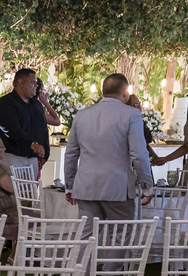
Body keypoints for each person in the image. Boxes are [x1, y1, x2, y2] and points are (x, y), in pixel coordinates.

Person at [63, 73, 154, 238]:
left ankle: (82, 258)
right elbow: (139, 155)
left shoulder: (82, 115)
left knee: (86, 237)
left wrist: (69, 185)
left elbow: (71, 154)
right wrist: (147, 186)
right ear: (125, 93)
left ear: (102, 91)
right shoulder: (131, 114)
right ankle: (111, 258)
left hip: (86, 187)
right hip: (117, 187)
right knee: (120, 237)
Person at [0, 68, 49, 177]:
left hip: (33, 159)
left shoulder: (37, 105)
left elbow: (44, 130)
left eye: (36, 82)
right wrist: (32, 144)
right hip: (12, 158)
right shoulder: (5, 103)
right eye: (32, 82)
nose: (36, 85)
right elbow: (12, 129)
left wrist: (45, 156)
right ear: (21, 82)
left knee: (30, 189)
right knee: (12, 188)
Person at [126, 93, 163, 166]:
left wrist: (155, 157)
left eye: (139, 104)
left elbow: (145, 144)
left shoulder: (140, 121)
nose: (139, 107)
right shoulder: (126, 123)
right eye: (136, 104)